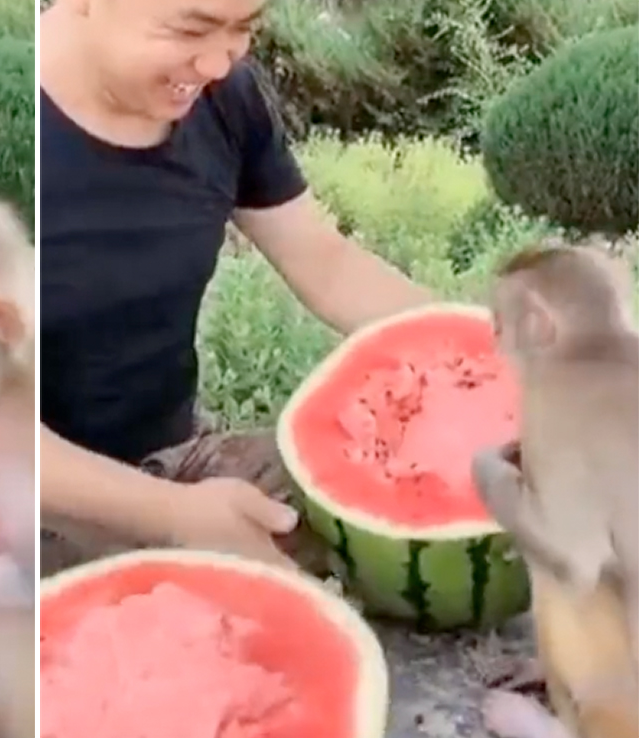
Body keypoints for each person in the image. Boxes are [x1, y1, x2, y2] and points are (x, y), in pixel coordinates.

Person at [38, 0, 435, 571]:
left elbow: (328, 265)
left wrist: (498, 352)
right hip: (38, 504)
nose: (218, 64)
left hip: (179, 460)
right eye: (191, 28)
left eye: (243, 28)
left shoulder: (225, 101)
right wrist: (172, 515)